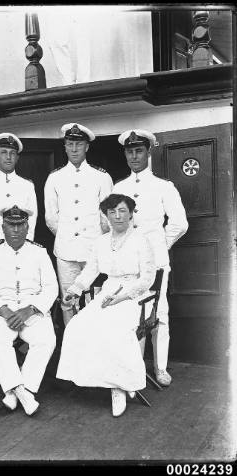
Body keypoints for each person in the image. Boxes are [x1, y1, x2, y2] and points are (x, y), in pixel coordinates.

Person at [56, 194, 156, 417]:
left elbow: (147, 278)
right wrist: (74, 291)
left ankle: (119, 387)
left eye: (122, 210)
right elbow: (90, 270)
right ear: (106, 215)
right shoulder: (101, 242)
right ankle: (102, 379)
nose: (117, 216)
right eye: (112, 212)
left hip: (134, 296)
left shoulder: (141, 239)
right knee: (78, 326)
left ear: (131, 213)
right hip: (108, 293)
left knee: (115, 330)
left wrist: (123, 298)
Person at [112, 129, 188, 387]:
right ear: (125, 154)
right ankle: (133, 367)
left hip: (155, 262)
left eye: (139, 151)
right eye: (129, 152)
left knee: (159, 313)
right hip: (129, 264)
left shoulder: (163, 186)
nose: (134, 156)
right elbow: (111, 224)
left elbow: (179, 223)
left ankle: (160, 368)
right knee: (131, 314)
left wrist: (159, 246)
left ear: (148, 152)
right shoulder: (119, 187)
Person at [0, 204, 58, 415]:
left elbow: (51, 288)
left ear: (27, 226)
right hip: (2, 313)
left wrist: (29, 310)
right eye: (11, 225)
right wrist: (4, 311)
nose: (16, 230)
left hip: (32, 312)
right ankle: (23, 394)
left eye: (20, 225)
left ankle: (17, 391)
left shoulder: (39, 252)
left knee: (46, 340)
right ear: (2, 226)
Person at [44, 123, 113, 326]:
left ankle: (95, 345)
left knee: (95, 297)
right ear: (64, 146)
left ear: (87, 147)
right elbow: (51, 217)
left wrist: (98, 241)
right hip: (65, 250)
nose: (74, 149)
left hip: (93, 249)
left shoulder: (101, 177)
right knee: (68, 299)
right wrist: (67, 234)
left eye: (79, 144)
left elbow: (106, 218)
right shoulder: (54, 178)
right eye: (70, 144)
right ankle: (73, 346)